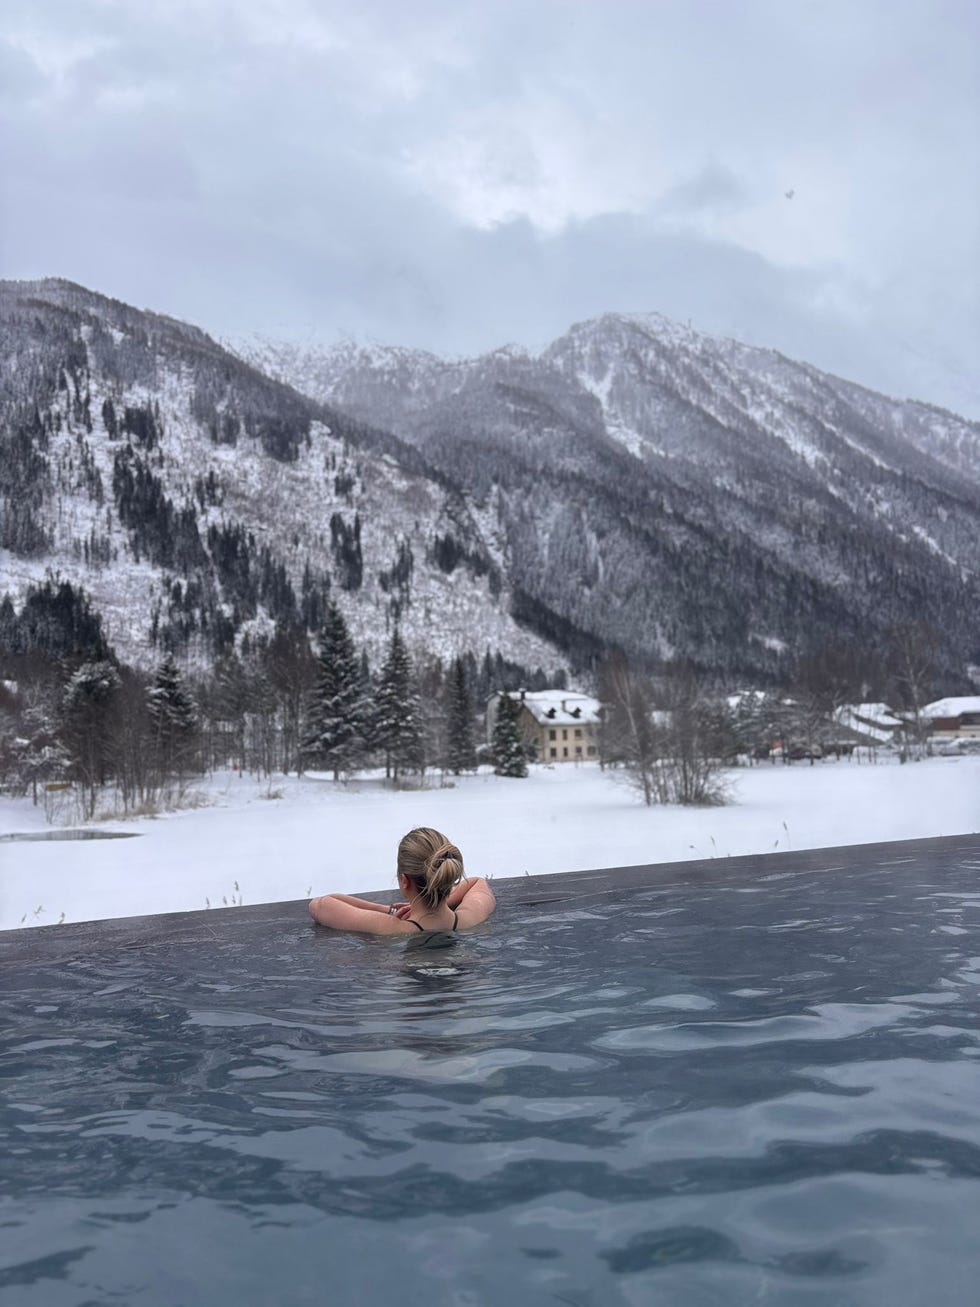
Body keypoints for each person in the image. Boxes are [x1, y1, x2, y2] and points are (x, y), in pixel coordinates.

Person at [308, 826, 496, 934]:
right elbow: (477, 882)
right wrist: (442, 898)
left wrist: (388, 911)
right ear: (449, 875)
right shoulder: (470, 917)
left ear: (404, 881)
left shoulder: (390, 927)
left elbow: (320, 905)